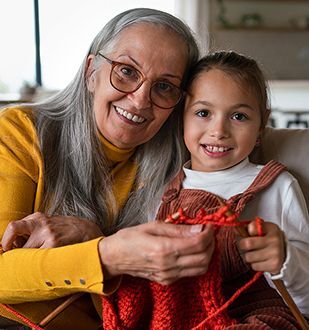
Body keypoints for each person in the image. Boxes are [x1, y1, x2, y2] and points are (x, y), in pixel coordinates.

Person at [0, 8, 217, 329]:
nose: (141, 100)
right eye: (127, 71)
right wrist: (106, 255)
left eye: (164, 86)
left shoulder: (184, 167)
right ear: (91, 72)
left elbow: (155, 311)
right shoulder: (19, 132)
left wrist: (93, 238)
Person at [95, 50, 309, 329]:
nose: (218, 130)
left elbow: (305, 301)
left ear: (261, 125)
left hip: (255, 315)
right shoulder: (160, 190)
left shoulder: (278, 187)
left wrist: (284, 260)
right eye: (203, 113)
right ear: (181, 117)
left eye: (239, 116)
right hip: (176, 316)